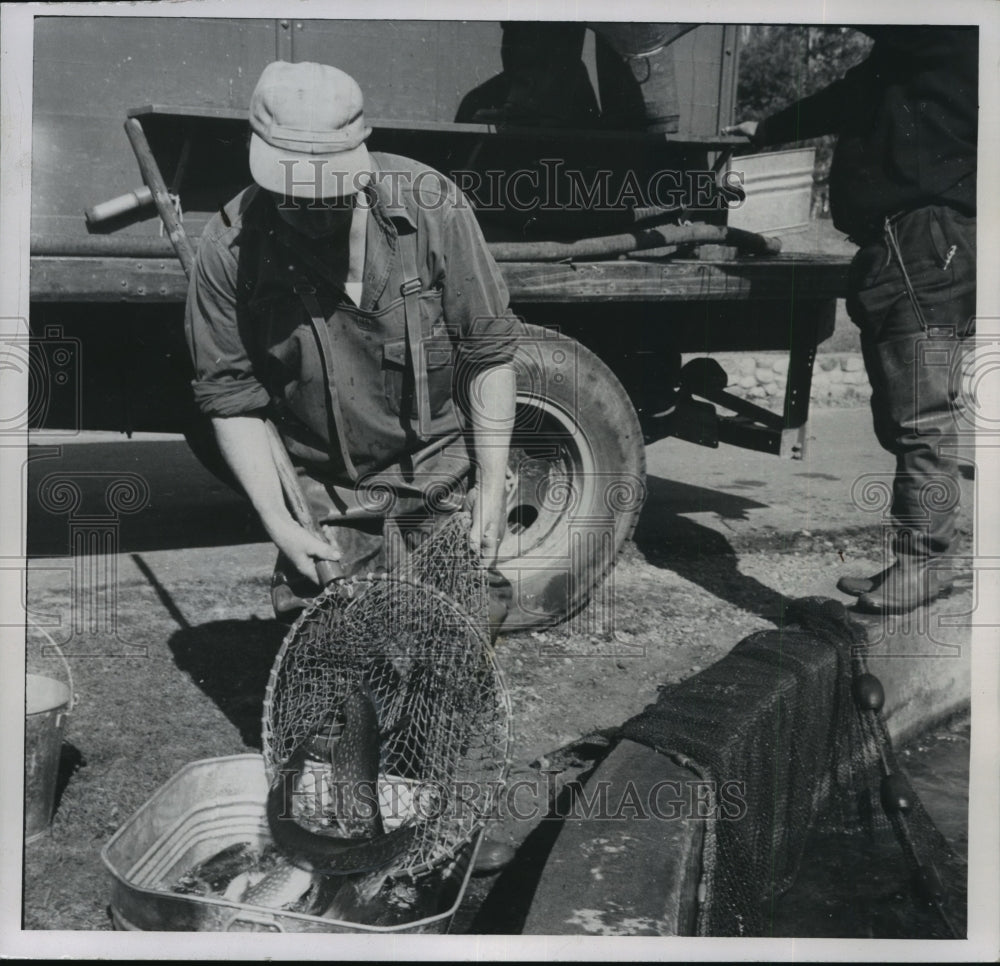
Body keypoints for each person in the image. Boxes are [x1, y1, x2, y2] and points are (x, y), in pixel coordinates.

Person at [184, 61, 522, 618]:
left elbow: (487, 354)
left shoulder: (433, 206)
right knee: (332, 649)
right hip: (323, 486)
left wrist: (490, 481)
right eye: (295, 195)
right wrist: (278, 521)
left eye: (330, 193)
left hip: (442, 468)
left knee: (458, 628)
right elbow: (231, 399)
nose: (313, 213)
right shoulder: (226, 249)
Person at [724, 26, 977, 615]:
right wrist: (766, 129)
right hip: (905, 242)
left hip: (923, 239)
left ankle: (928, 562)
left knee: (921, 414)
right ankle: (919, 557)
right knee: (903, 413)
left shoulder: (951, 33)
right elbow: (847, 96)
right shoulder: (908, 57)